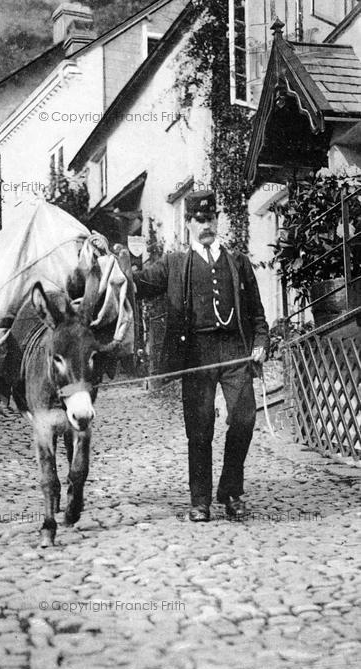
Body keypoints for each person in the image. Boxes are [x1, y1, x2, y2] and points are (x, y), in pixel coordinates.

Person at [133, 190, 269, 522]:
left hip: (235, 351)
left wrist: (261, 342)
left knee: (244, 419)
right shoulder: (175, 264)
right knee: (200, 427)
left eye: (210, 219)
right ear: (189, 224)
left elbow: (257, 313)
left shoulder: (238, 262)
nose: (205, 225)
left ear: (217, 220)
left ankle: (231, 490)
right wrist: (113, 258)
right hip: (195, 354)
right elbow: (137, 284)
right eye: (198, 220)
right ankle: (200, 500)